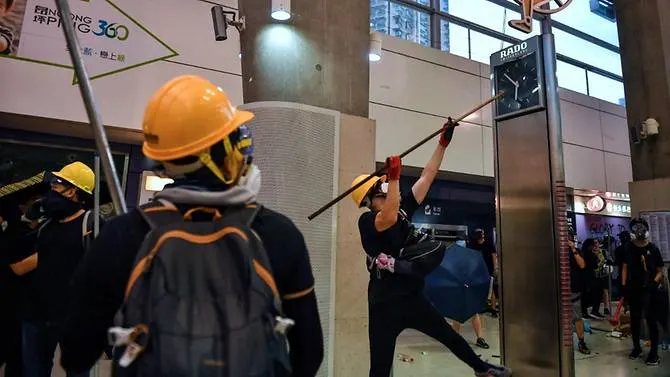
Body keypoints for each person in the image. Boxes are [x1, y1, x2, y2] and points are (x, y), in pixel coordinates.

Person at [59, 75, 324, 377]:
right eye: (235, 137)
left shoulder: (122, 234)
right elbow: (309, 350)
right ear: (219, 152)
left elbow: (77, 351)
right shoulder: (278, 233)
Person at [352, 118, 511, 377]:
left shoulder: (401, 211)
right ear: (371, 198)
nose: (387, 186)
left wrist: (442, 144)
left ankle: (482, 369)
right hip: (384, 304)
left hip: (412, 296)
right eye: (381, 186)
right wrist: (393, 178)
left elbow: (427, 176)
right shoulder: (368, 221)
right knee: (379, 369)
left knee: (448, 335)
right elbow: (388, 218)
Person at [9, 162, 96, 377]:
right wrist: (27, 221)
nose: (52, 190)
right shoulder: (47, 224)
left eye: (57, 185)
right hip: (36, 314)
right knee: (34, 371)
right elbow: (17, 262)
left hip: (71, 317)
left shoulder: (91, 224)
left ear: (73, 190)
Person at [622, 218, 666, 366]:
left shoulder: (653, 249)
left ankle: (654, 353)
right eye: (636, 228)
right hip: (633, 289)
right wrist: (624, 287)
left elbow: (661, 270)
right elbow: (625, 268)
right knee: (634, 320)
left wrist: (654, 282)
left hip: (650, 290)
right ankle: (636, 348)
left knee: (651, 320)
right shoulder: (628, 247)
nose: (639, 231)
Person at [568, 234, 591, 355]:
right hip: (558, 291)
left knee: (577, 317)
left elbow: (582, 265)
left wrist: (573, 249)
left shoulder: (577, 251)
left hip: (574, 290)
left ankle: (581, 341)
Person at [470, 229, 498, 317]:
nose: (479, 240)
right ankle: (480, 306)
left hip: (488, 269)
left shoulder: (489, 244)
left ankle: (493, 308)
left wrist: (495, 268)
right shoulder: (474, 245)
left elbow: (493, 256)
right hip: (479, 270)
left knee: (492, 288)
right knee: (480, 288)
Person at [581, 238, 605, 320]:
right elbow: (596, 265)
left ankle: (586, 311)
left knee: (587, 294)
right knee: (596, 292)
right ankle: (593, 310)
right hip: (590, 276)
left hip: (586, 276)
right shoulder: (590, 254)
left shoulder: (583, 253)